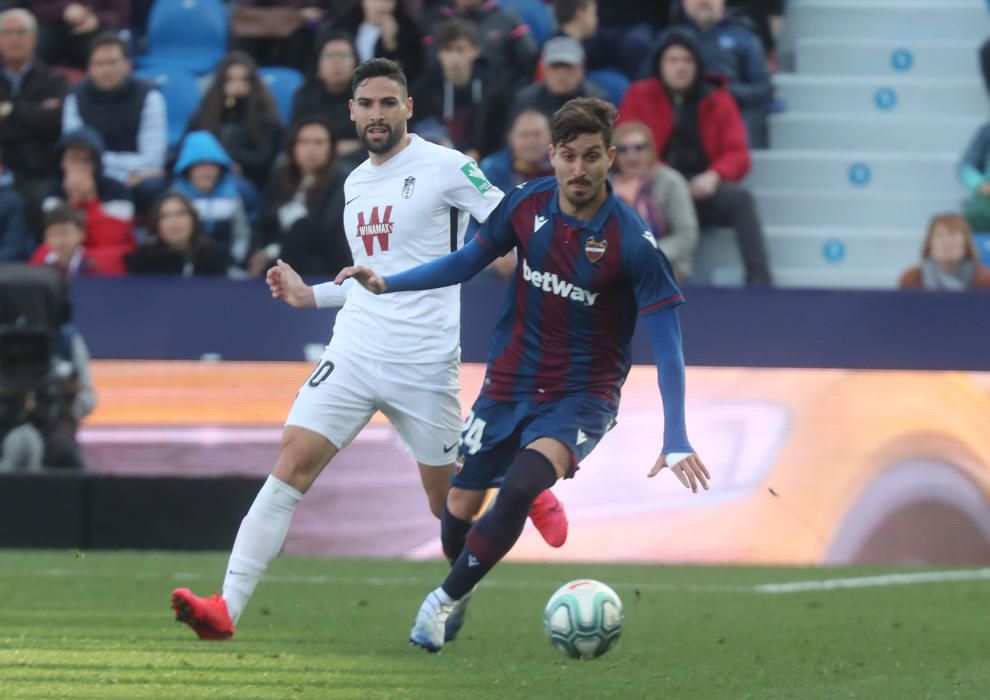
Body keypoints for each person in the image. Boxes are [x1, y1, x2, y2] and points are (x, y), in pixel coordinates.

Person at [170, 58, 568, 642]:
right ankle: (225, 607)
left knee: (448, 506)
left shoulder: (447, 166)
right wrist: (312, 295)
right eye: (367, 104)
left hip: (423, 361)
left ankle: (513, 482)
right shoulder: (355, 182)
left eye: (388, 103)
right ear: (352, 112)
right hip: (355, 348)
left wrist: (559, 272)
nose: (377, 114)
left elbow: (513, 221)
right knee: (292, 461)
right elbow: (373, 276)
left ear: (408, 108)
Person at [336, 97, 710, 652]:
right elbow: (467, 261)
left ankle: (440, 601)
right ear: (552, 157)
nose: (579, 170)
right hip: (509, 381)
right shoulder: (525, 205)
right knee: (455, 510)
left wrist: (675, 434)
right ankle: (461, 587)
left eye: (591, 157)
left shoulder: (633, 244)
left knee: (518, 487)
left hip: (581, 395)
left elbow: (670, 345)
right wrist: (390, 282)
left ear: (609, 158)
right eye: (569, 157)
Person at [619, 30, 771, 285]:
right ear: (660, 65)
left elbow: (738, 153)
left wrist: (715, 175)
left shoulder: (718, 98)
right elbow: (624, 141)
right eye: (673, 60)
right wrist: (665, 176)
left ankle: (760, 282)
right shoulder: (639, 95)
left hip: (701, 187)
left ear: (698, 65)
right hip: (655, 186)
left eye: (687, 60)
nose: (680, 67)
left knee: (740, 199)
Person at [61, 32, 167, 215]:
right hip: (95, 175)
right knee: (56, 186)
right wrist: (114, 175)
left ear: (128, 65)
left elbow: (152, 160)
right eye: (99, 64)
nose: (106, 69)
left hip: (135, 180)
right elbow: (75, 153)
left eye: (112, 62)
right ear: (89, 68)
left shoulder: (150, 96)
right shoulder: (75, 97)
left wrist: (99, 164)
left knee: (153, 187)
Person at [649, 0, 773, 147]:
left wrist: (723, 91)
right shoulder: (668, 38)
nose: (703, 1)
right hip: (677, 109)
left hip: (730, 112)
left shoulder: (744, 37)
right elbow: (648, 82)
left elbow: (763, 89)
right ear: (683, 3)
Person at [248, 116, 352, 277]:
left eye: (319, 142)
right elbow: (265, 221)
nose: (311, 149)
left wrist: (273, 251)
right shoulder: (281, 176)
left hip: (326, 261)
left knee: (303, 227)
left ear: (331, 148)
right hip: (282, 257)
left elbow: (324, 227)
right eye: (304, 142)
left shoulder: (343, 179)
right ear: (293, 147)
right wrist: (259, 251)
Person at [0, 8, 68, 230]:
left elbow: (54, 122)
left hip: (38, 173)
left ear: (35, 38)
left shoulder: (55, 80)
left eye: (21, 32)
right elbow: (41, 121)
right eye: (7, 33)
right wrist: (35, 113)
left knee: (45, 200)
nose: (14, 39)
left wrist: (9, 111)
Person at [610, 121, 699, 281]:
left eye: (639, 148)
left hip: (663, 262)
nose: (632, 156)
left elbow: (687, 235)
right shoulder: (604, 187)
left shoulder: (671, 181)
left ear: (651, 151)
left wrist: (649, 254)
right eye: (623, 150)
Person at [411, 19, 509, 163]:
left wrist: (479, 152)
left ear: (475, 51)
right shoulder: (424, 90)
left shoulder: (494, 90)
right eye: (448, 50)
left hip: (481, 162)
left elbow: (500, 134)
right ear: (439, 54)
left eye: (460, 49)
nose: (454, 57)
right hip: (437, 159)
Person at [186, 52, 283, 195]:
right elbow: (186, 146)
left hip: (246, 180)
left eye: (243, 80)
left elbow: (264, 160)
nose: (237, 85)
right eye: (230, 80)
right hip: (202, 176)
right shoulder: (205, 113)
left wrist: (226, 159)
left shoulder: (265, 119)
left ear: (253, 83)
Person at [43, 127, 135, 259]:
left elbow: (111, 239)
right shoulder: (54, 190)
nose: (79, 167)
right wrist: (73, 200)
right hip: (68, 256)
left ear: (96, 165)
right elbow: (58, 238)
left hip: (106, 259)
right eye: (73, 159)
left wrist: (91, 200)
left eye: (85, 161)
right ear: (62, 162)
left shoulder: (117, 190)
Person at [170, 131, 253, 269]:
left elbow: (241, 234)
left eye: (213, 165)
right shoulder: (175, 197)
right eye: (200, 165)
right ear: (188, 167)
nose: (207, 172)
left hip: (225, 268)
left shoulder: (232, 196)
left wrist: (233, 261)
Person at [290, 30, 362, 160]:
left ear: (355, 62)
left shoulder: (366, 96)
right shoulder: (304, 95)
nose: (337, 62)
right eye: (330, 56)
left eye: (343, 55)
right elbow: (292, 137)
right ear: (318, 64)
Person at [126, 192, 232, 276]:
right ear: (156, 224)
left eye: (181, 214)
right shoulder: (144, 260)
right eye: (165, 216)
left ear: (193, 220)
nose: (174, 222)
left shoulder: (215, 255)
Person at [510, 36, 610, 125]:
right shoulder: (526, 101)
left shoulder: (597, 101)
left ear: (581, 69)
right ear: (544, 69)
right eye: (555, 66)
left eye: (568, 67)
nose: (562, 74)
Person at [329, 0, 425, 85]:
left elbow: (410, 72)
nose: (381, 5)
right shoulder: (344, 26)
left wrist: (391, 44)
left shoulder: (408, 31)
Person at [898, 213, 990, 290]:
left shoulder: (985, 280)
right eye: (939, 236)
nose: (946, 241)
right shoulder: (912, 279)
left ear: (966, 243)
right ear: (930, 245)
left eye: (952, 235)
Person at [29, 202, 126, 275]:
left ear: (81, 233)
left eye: (64, 233)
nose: (60, 241)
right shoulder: (39, 262)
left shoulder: (94, 265)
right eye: (53, 234)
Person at [34, 1, 130, 70]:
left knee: (108, 50)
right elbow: (33, 9)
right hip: (53, 27)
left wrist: (97, 19)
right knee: (29, 39)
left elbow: (121, 14)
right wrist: (65, 9)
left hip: (95, 31)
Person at [480, 108, 554, 195]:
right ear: (511, 138)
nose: (531, 142)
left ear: (551, 137)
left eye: (537, 134)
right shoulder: (492, 168)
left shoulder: (560, 166)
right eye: (524, 135)